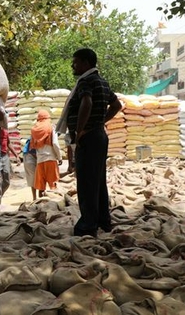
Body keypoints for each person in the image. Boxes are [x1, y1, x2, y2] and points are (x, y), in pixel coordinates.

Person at [57, 48, 122, 237]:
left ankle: (88, 225)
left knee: (86, 183)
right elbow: (117, 105)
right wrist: (100, 122)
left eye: (75, 62)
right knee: (98, 181)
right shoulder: (101, 82)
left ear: (86, 63)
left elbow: (87, 103)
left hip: (89, 138)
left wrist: (80, 130)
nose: (73, 66)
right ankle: (103, 220)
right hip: (99, 136)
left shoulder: (86, 81)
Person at [30, 109, 62, 198]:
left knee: (41, 187)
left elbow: (33, 147)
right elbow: (55, 143)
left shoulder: (34, 129)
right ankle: (53, 204)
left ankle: (41, 205)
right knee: (53, 186)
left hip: (40, 161)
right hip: (50, 160)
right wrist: (59, 157)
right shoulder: (51, 127)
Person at [0, 125, 21, 204]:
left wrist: (16, 156)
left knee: (7, 182)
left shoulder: (5, 131)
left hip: (5, 157)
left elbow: (9, 143)